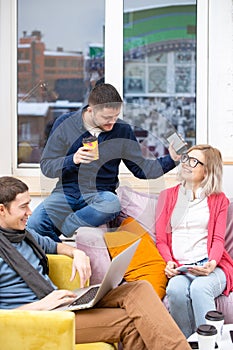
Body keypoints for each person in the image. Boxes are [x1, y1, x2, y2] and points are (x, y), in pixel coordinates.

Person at [0, 176, 190, 350]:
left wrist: (78, 253)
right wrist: (41, 305)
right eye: (23, 207)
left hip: (59, 303)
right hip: (35, 320)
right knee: (130, 322)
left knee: (137, 288)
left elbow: (56, 247)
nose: (30, 212)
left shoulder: (25, 236)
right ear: (2, 209)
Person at [27, 83, 180, 242]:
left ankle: (68, 225)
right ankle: (63, 252)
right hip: (66, 191)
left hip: (100, 194)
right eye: (107, 118)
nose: (112, 123)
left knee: (112, 204)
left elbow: (142, 169)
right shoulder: (65, 123)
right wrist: (72, 159)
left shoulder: (122, 129)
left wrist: (172, 159)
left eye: (116, 116)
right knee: (34, 224)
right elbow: (47, 166)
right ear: (90, 110)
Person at [155, 144, 233, 338]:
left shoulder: (219, 199)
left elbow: (217, 240)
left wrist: (211, 264)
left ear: (207, 171)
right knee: (175, 290)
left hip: (212, 266)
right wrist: (169, 262)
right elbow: (161, 240)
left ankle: (211, 344)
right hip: (182, 268)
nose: (186, 164)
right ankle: (187, 343)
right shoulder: (167, 196)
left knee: (200, 287)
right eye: (185, 159)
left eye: (194, 161)